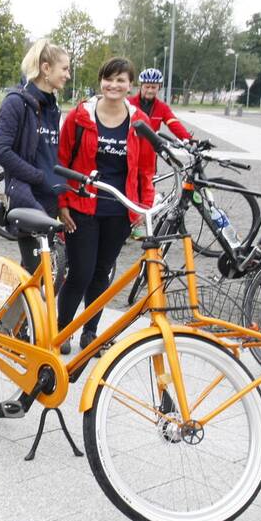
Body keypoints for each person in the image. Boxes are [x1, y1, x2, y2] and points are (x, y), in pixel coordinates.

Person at [57, 58, 156, 354]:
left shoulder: (139, 121)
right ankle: (63, 331)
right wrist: (61, 203)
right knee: (80, 273)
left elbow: (146, 170)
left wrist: (142, 207)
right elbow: (61, 161)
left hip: (118, 210)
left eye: (121, 80)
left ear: (130, 85)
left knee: (102, 273)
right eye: (109, 79)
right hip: (81, 208)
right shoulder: (80, 116)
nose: (114, 85)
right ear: (100, 81)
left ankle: (90, 332)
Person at [0, 39, 69, 272]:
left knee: (40, 275)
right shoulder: (17, 102)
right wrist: (37, 176)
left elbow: (51, 151)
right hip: (28, 199)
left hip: (50, 198)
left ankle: (18, 307)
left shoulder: (53, 106)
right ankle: (12, 307)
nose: (68, 75)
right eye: (64, 69)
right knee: (41, 275)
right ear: (46, 69)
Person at [130, 67, 192, 141]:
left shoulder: (162, 107)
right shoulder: (129, 103)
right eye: (147, 87)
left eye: (153, 87)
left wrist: (189, 140)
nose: (150, 90)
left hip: (151, 149)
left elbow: (174, 123)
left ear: (159, 87)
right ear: (141, 86)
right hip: (130, 147)